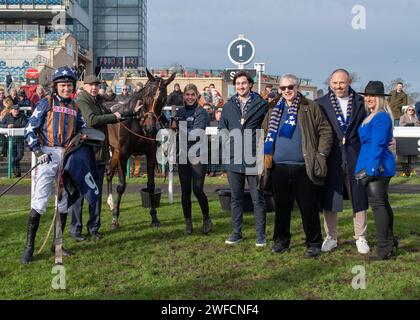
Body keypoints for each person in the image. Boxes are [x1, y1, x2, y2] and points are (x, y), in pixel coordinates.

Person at [21, 66, 86, 264]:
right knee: (39, 201)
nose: (66, 88)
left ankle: (57, 244)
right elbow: (29, 129)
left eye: (69, 85)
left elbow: (82, 126)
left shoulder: (75, 107)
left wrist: (82, 134)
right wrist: (38, 151)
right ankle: (29, 248)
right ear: (56, 86)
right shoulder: (45, 103)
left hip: (67, 156)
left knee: (63, 202)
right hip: (47, 155)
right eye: (63, 85)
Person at [263, 74, 332, 258]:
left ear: (297, 87)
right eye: (283, 88)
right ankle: (281, 241)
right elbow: (265, 130)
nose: (287, 91)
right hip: (278, 167)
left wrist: (321, 153)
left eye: (290, 87)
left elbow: (325, 131)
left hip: (304, 166)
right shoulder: (273, 109)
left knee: (308, 207)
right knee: (281, 208)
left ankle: (313, 242)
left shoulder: (310, 106)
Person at [316, 69, 370, 254]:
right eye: (335, 83)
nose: (338, 86)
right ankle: (331, 237)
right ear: (330, 83)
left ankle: (360, 237)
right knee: (330, 198)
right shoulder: (321, 104)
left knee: (359, 196)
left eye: (342, 83)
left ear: (349, 82)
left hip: (356, 156)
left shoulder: (361, 102)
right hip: (332, 157)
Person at [70, 75, 123, 241]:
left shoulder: (96, 101)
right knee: (79, 194)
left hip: (99, 156)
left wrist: (130, 110)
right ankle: (76, 230)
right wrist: (113, 117)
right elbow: (91, 120)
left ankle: (93, 228)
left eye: (96, 85)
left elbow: (112, 111)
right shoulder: (81, 100)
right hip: (84, 155)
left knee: (96, 193)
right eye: (91, 85)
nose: (94, 87)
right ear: (84, 86)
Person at [218, 71, 268, 247]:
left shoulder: (262, 104)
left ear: (250, 84)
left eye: (244, 83)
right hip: (233, 159)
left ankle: (261, 235)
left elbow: (267, 129)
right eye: (238, 84)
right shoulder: (228, 105)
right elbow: (222, 130)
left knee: (257, 198)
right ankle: (236, 233)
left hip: (254, 158)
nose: (240, 86)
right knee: (236, 198)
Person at [355, 81, 397, 261]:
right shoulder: (371, 116)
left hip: (377, 167)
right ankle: (389, 242)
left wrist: (371, 170)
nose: (369, 99)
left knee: (378, 206)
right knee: (383, 204)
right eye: (367, 95)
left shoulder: (380, 117)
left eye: (373, 95)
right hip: (372, 164)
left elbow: (378, 145)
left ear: (380, 98)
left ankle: (383, 247)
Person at [172, 84, 211, 235]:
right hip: (182, 155)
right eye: (187, 94)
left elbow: (196, 134)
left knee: (198, 190)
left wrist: (179, 129)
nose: (189, 97)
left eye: (192, 94)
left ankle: (206, 218)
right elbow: (174, 129)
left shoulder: (201, 112)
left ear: (197, 96)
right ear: (183, 96)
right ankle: (188, 221)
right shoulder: (180, 112)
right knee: (185, 191)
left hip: (198, 155)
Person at [0, 105, 28, 177]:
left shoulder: (22, 116)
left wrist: (13, 125)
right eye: (15, 110)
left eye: (17, 110)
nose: (16, 111)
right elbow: (1, 124)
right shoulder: (7, 116)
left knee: (20, 156)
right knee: (14, 156)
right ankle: (17, 173)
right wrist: (7, 126)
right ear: (11, 110)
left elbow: (25, 124)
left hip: (19, 139)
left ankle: (11, 164)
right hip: (10, 140)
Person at [398, 105, 420, 177]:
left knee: (413, 156)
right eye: (409, 110)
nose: (411, 111)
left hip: (413, 139)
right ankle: (405, 172)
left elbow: (417, 125)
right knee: (404, 157)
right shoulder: (402, 117)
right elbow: (401, 125)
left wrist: (413, 124)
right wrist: (409, 125)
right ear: (406, 111)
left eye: (412, 110)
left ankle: (411, 171)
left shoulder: (416, 118)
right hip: (404, 138)